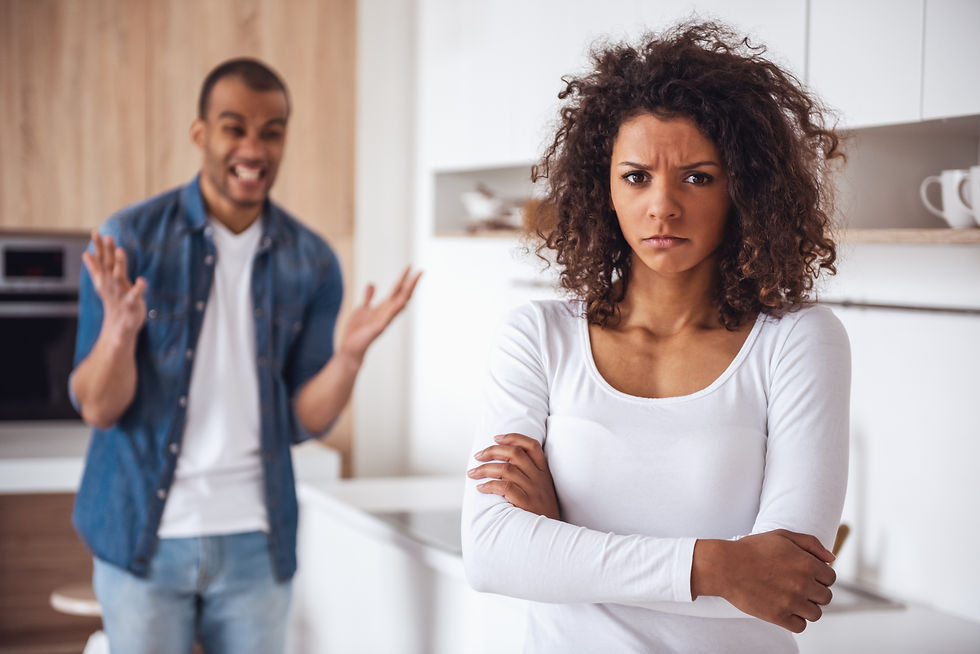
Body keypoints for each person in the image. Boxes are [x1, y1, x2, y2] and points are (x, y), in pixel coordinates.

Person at [462, 21, 850, 654]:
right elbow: (491, 557)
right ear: (604, 190)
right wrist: (721, 568)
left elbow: (787, 589)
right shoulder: (538, 336)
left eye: (697, 177)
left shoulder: (799, 341)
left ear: (742, 189)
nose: (663, 206)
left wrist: (560, 538)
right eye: (636, 177)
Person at [70, 58, 420, 654]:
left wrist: (350, 358)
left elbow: (303, 422)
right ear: (201, 134)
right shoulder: (131, 241)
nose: (254, 147)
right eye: (235, 128)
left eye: (272, 130)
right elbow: (99, 409)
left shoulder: (311, 261)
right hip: (143, 538)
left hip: (255, 543)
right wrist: (119, 333)